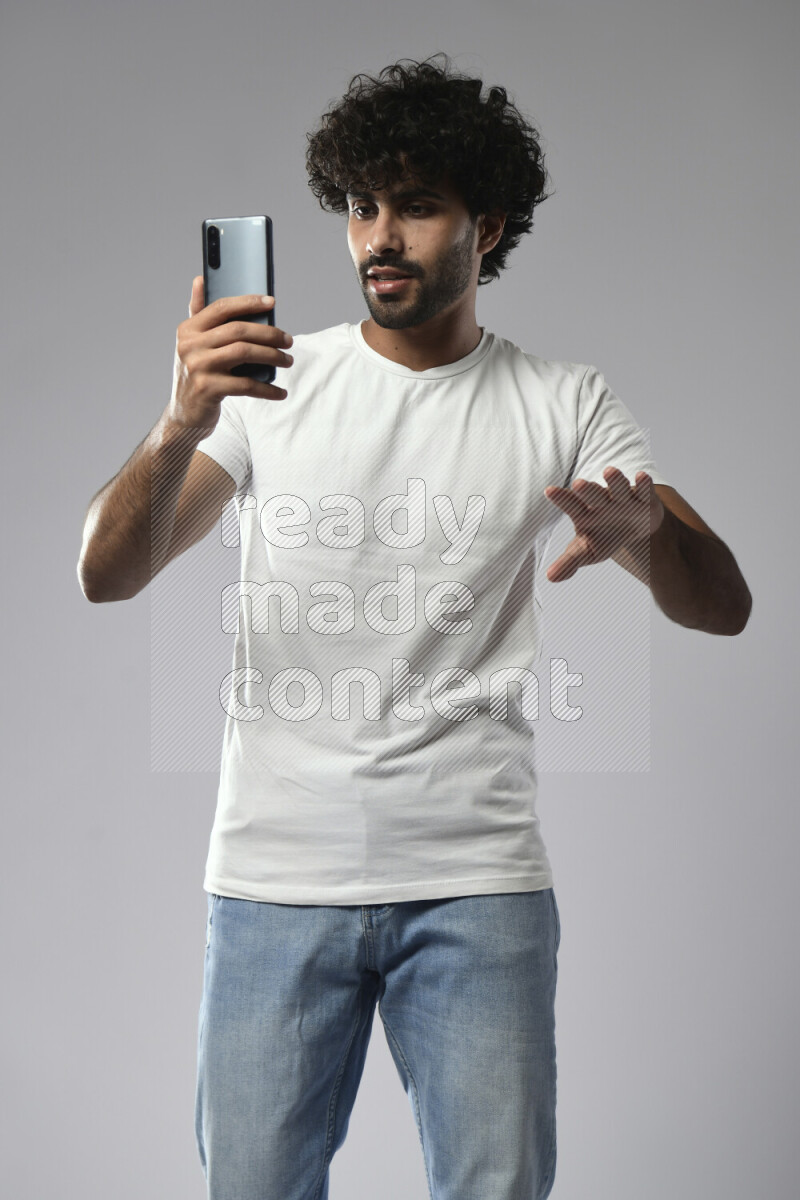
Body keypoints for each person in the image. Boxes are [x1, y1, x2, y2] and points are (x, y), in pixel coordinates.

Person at [77, 53, 751, 1200]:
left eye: (417, 207)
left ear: (485, 227)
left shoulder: (564, 402)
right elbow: (108, 573)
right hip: (272, 882)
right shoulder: (268, 389)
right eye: (360, 207)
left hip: (475, 885)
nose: (379, 237)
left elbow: (721, 607)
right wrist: (181, 422)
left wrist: (644, 534)